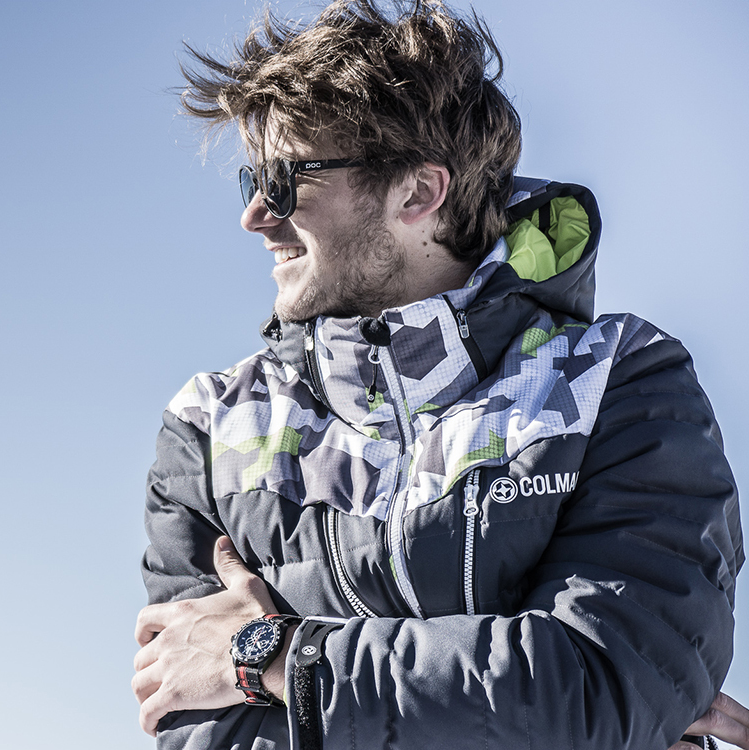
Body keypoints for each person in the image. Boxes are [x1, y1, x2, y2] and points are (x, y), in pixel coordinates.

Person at [131, 1, 747, 748]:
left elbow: (593, 686)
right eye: (250, 183)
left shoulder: (620, 379)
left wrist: (280, 658)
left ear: (419, 193)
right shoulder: (209, 426)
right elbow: (199, 719)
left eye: (286, 180)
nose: (256, 216)